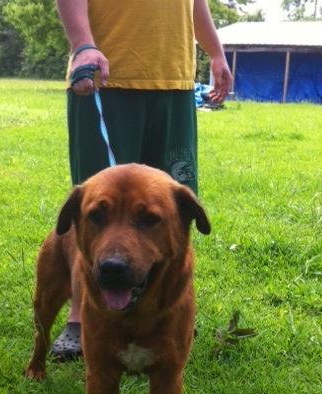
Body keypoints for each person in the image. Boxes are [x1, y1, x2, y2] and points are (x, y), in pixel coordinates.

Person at [51, 0, 232, 360]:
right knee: (97, 210)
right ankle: (81, 316)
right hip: (106, 74)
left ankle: (171, 309)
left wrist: (215, 52)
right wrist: (82, 42)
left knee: (173, 208)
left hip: (174, 79)